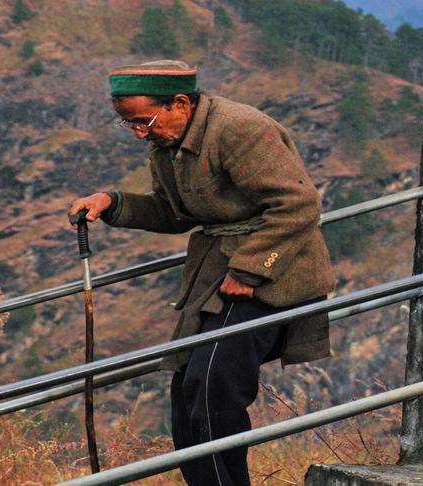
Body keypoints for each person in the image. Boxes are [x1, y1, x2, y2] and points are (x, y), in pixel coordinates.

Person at [68, 60, 336, 486]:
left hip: (274, 274)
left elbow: (299, 205)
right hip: (216, 274)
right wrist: (113, 203)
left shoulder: (240, 130)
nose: (139, 132)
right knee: (186, 392)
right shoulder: (168, 144)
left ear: (180, 102)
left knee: (212, 386)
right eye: (128, 124)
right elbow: (176, 214)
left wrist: (249, 272)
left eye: (143, 120)